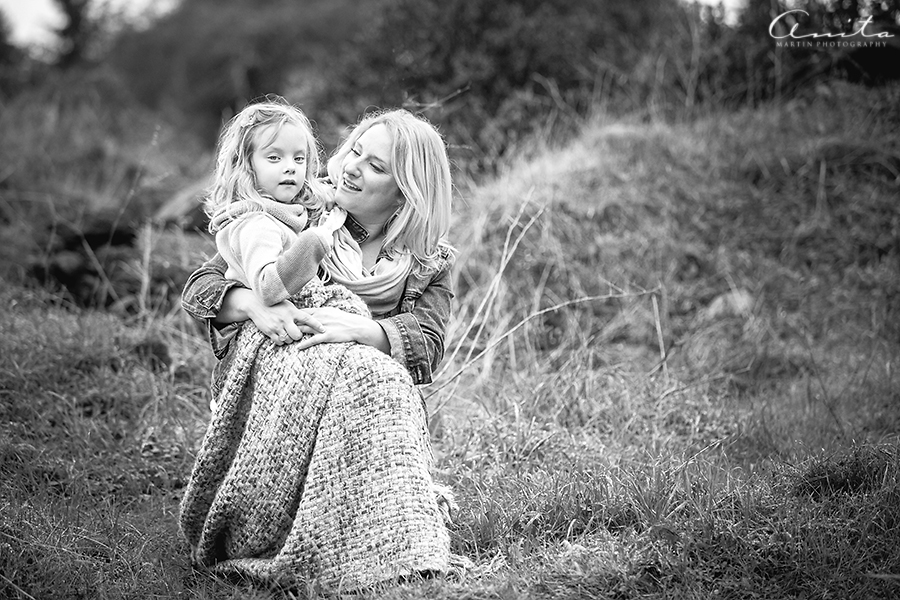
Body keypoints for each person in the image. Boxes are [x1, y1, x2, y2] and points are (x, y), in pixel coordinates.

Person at [179, 108, 459, 591]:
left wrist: (361, 329)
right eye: (355, 151)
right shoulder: (299, 208)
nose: (352, 167)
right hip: (286, 362)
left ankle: (389, 540)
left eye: (375, 166)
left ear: (406, 191)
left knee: (377, 376)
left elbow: (428, 343)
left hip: (359, 375)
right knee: (371, 374)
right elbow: (202, 286)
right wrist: (254, 304)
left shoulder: (429, 261)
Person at [205, 99, 346, 307]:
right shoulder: (258, 223)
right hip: (273, 322)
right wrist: (313, 243)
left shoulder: (282, 213)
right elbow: (267, 288)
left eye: (299, 159)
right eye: (274, 157)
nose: (290, 167)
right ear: (246, 165)